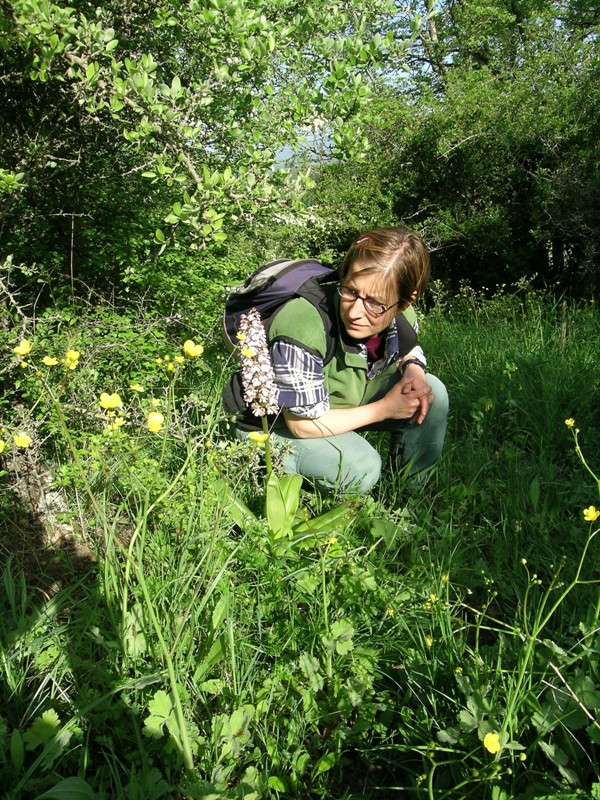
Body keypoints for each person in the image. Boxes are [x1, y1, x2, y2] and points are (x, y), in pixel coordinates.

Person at [238, 227, 448, 494]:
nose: (355, 311)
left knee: (432, 393)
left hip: (334, 404)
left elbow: (410, 345)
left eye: (374, 303)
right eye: (350, 290)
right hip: (274, 425)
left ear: (405, 302)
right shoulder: (302, 324)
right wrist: (384, 409)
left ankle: (409, 494)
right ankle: (291, 491)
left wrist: (413, 369)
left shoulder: (401, 315)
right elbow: (301, 424)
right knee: (360, 467)